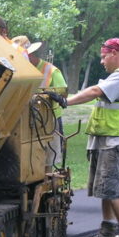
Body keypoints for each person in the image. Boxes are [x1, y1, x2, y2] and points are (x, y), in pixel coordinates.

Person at [64, 37, 119, 237]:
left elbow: (95, 92)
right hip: (108, 139)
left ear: (115, 53)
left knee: (112, 189)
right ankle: (106, 234)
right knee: (105, 190)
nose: (101, 61)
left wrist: (65, 101)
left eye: (103, 56)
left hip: (115, 141)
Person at [13, 35, 68, 169]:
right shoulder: (19, 71)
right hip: (27, 119)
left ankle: (47, 177)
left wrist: (49, 94)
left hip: (50, 120)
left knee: (48, 158)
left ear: (29, 55)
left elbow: (63, 94)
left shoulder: (51, 71)